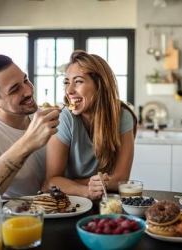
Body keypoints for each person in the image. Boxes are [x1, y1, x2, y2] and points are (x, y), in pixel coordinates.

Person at [0, 55, 60, 202]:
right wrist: (27, 144)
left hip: (66, 211)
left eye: (25, 80)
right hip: (20, 220)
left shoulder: (43, 116)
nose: (28, 91)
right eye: (15, 90)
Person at [42, 50, 137, 200]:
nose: (69, 90)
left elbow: (120, 179)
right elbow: (51, 182)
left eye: (78, 81)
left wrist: (70, 184)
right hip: (70, 201)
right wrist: (86, 189)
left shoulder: (122, 116)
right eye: (67, 82)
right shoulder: (66, 118)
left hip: (107, 200)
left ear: (100, 85)